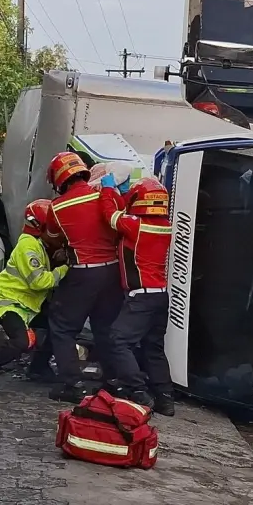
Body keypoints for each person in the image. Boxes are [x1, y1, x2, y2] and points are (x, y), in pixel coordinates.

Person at [43, 151, 125, 403]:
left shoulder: (57, 207)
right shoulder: (105, 195)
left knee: (63, 328)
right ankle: (114, 382)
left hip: (83, 272)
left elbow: (53, 238)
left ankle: (72, 384)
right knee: (105, 329)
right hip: (112, 271)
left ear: (59, 179)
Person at [0, 200, 68, 395]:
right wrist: (65, 268)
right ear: (39, 226)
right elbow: (39, 282)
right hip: (9, 303)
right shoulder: (28, 247)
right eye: (53, 226)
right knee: (21, 342)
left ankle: (38, 368)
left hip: (28, 305)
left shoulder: (41, 244)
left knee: (61, 327)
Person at [102, 175, 175, 416]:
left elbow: (110, 216)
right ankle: (166, 399)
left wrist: (108, 190)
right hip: (160, 296)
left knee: (118, 340)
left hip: (141, 297)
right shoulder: (165, 225)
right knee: (153, 347)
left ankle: (138, 391)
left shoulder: (136, 225)